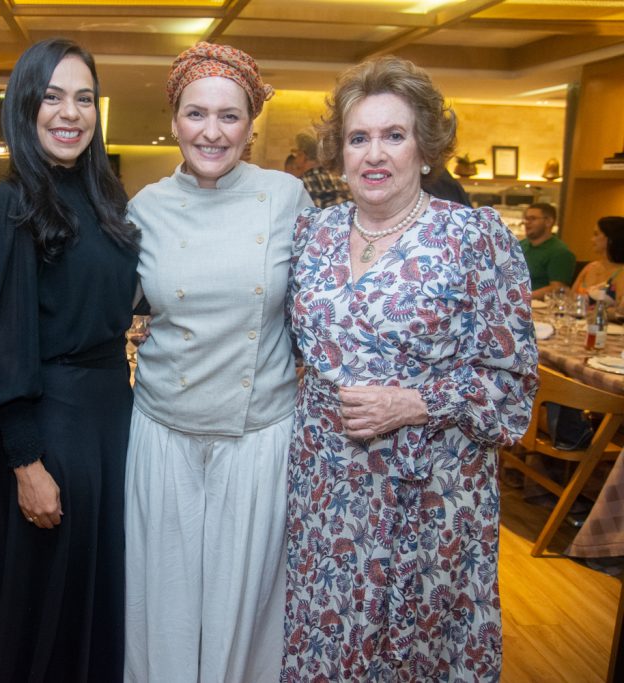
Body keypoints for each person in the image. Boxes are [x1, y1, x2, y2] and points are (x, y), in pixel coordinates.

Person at [282, 56, 538, 681]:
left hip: (427, 497)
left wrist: (416, 401)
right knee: (327, 643)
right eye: (358, 137)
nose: (375, 153)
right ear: (338, 153)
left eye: (394, 136)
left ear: (425, 149)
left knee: (414, 652)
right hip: (326, 492)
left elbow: (513, 386)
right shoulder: (311, 234)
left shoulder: (474, 238)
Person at [124, 42, 312, 682]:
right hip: (164, 431)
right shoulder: (143, 208)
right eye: (196, 114)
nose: (212, 131)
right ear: (173, 119)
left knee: (247, 604)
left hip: (258, 434)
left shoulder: (288, 198)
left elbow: (323, 311)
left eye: (230, 116)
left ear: (252, 123)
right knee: (164, 601)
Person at [0, 38, 139, 683]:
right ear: (24, 106)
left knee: (95, 599)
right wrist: (26, 462)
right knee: (42, 609)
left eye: (84, 98)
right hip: (48, 429)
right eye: (52, 97)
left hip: (109, 417)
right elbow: (2, 346)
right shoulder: (10, 205)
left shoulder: (103, 197)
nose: (70, 113)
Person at [520, 202, 575, 300]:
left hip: (538, 308)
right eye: (526, 219)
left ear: (548, 222)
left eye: (532, 219)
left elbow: (557, 288)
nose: (527, 223)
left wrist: (522, 297)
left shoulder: (560, 252)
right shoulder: (521, 245)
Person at [572, 216, 624, 309]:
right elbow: (570, 299)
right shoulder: (590, 267)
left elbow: (620, 311)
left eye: (596, 234)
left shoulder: (621, 272)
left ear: (611, 238)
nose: (592, 239)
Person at [293, 129, 351, 208]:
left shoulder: (300, 186)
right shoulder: (341, 179)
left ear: (303, 156)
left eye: (296, 153)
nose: (295, 159)